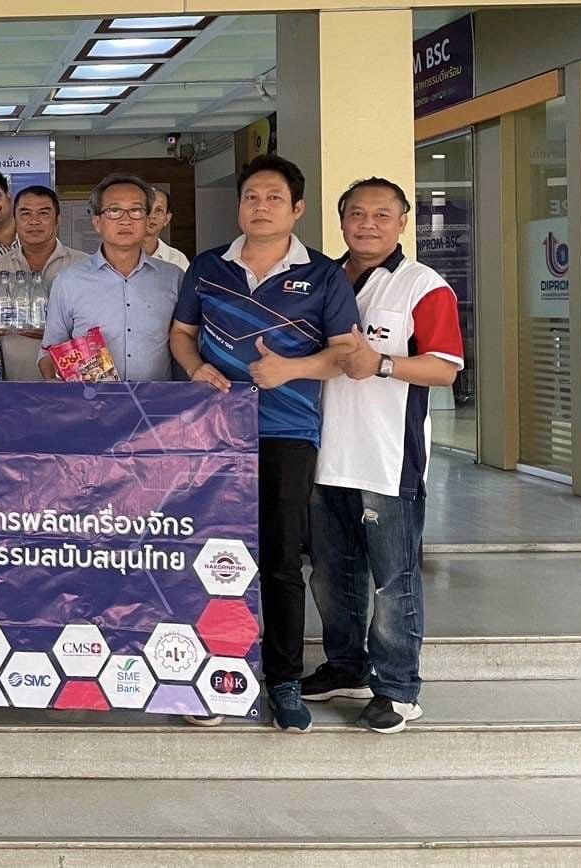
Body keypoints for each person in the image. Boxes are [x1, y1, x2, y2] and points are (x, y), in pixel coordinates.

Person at [169, 154, 359, 733]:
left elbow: (345, 352)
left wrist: (292, 369)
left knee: (278, 562)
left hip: (287, 432)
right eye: (251, 196)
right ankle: (212, 674)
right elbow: (181, 334)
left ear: (297, 208)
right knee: (208, 555)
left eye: (274, 197)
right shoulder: (207, 268)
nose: (261, 206)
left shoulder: (323, 275)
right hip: (212, 433)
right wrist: (196, 367)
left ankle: (282, 679)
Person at [303, 177, 464, 734]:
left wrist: (384, 364)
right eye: (356, 214)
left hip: (386, 457)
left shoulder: (422, 286)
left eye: (381, 214)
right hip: (323, 454)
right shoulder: (323, 279)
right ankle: (346, 666)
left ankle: (397, 688)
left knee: (393, 580)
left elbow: (444, 369)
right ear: (341, 219)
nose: (367, 224)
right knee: (331, 575)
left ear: (402, 222)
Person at [40, 175, 182, 382]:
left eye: (136, 210)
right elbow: (49, 350)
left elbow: (187, 341)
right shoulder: (68, 281)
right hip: (90, 400)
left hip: (157, 400)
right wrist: (58, 380)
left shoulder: (174, 278)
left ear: (147, 220)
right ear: (97, 222)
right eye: (114, 210)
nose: (125, 220)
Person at [0, 186, 88, 380]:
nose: (34, 221)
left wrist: (54, 330)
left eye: (44, 213)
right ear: (15, 220)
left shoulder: (83, 266)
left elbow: (99, 328)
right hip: (14, 383)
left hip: (70, 384)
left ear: (58, 220)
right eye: (25, 214)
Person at [146, 186, 191, 271]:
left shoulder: (178, 259)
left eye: (159, 210)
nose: (151, 216)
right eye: (147, 209)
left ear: (167, 219)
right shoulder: (119, 255)